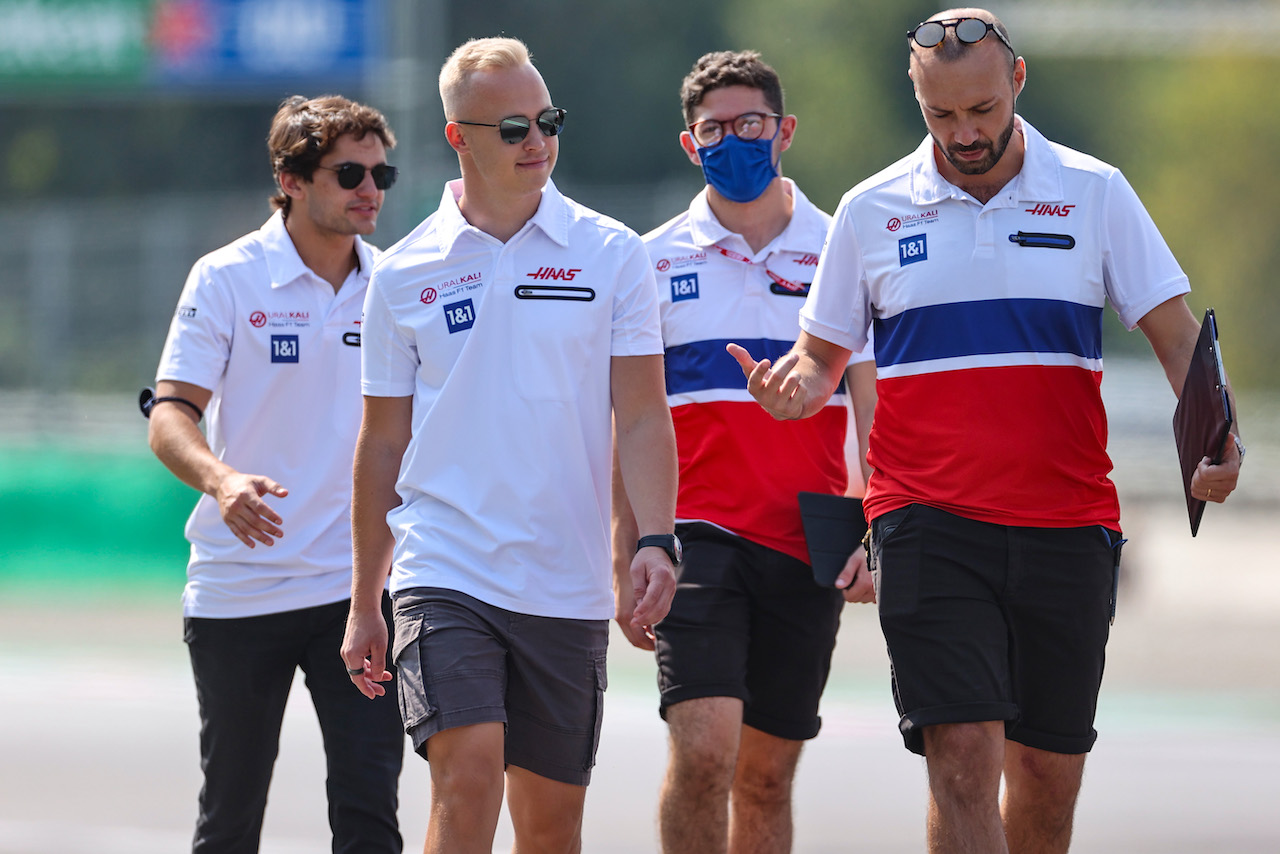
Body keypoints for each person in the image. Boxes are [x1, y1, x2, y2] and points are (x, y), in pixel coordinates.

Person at [730, 9, 1245, 853]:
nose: (964, 133)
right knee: (962, 759)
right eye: (942, 115)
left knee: (1044, 784)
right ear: (916, 95)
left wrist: (1220, 438)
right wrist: (797, 388)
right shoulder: (871, 211)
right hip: (926, 522)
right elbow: (819, 358)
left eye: (981, 111)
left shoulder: (1096, 190)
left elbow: (1178, 335)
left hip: (1069, 524)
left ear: (1018, 82)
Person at [339, 37, 679, 854]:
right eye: (514, 128)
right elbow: (383, 443)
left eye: (548, 122)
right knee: (467, 777)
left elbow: (640, 415)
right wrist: (363, 600)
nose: (538, 143)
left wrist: (656, 541)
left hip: (564, 584)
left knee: (551, 827)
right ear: (459, 137)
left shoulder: (613, 253)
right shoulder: (403, 273)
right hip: (444, 568)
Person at [611, 50, 876, 854]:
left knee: (765, 775)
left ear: (783, 130)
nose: (735, 141)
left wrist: (877, 526)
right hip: (696, 536)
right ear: (690, 145)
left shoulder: (844, 247)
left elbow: (875, 405)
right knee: (703, 753)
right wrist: (631, 549)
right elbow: (629, 419)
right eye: (714, 130)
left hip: (809, 537)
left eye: (750, 124)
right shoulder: (649, 260)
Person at [146, 95, 404, 853]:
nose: (370, 188)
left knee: (368, 814)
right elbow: (169, 415)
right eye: (348, 171)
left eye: (380, 170)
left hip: (360, 594)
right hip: (240, 589)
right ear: (291, 181)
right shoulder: (226, 277)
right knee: (230, 815)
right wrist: (222, 481)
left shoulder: (397, 283)